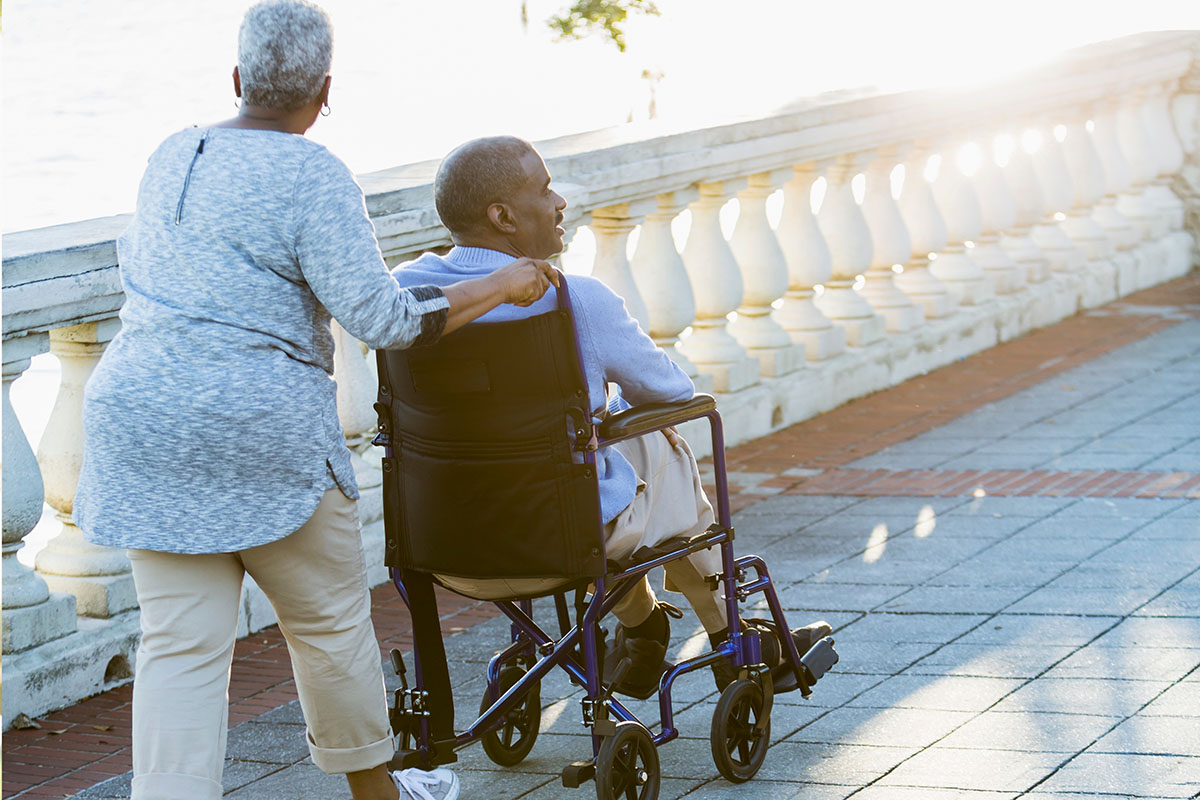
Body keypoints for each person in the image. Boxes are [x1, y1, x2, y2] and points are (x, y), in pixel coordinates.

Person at [72, 4, 555, 800]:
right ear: (325, 91)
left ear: (236, 80)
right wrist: (500, 282)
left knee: (178, 647)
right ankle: (380, 796)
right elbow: (386, 320)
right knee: (328, 628)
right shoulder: (314, 173)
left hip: (142, 420)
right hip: (262, 432)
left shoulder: (173, 153)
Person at [391, 135, 832, 700]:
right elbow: (671, 390)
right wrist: (610, 410)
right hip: (564, 540)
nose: (560, 203)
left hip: (444, 546)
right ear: (501, 216)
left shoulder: (407, 294)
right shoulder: (579, 301)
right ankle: (730, 637)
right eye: (545, 189)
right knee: (661, 442)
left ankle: (642, 622)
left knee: (608, 453)